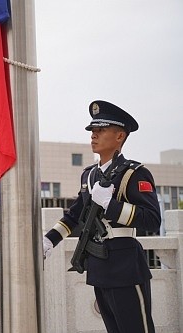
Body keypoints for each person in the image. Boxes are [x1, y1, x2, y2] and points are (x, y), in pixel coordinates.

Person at [43, 100, 161, 333]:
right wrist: (48, 240)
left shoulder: (133, 173)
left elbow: (152, 220)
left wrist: (110, 204)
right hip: (99, 266)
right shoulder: (89, 176)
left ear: (119, 136)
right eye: (92, 131)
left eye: (101, 130)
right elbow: (74, 216)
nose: (93, 136)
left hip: (126, 266)